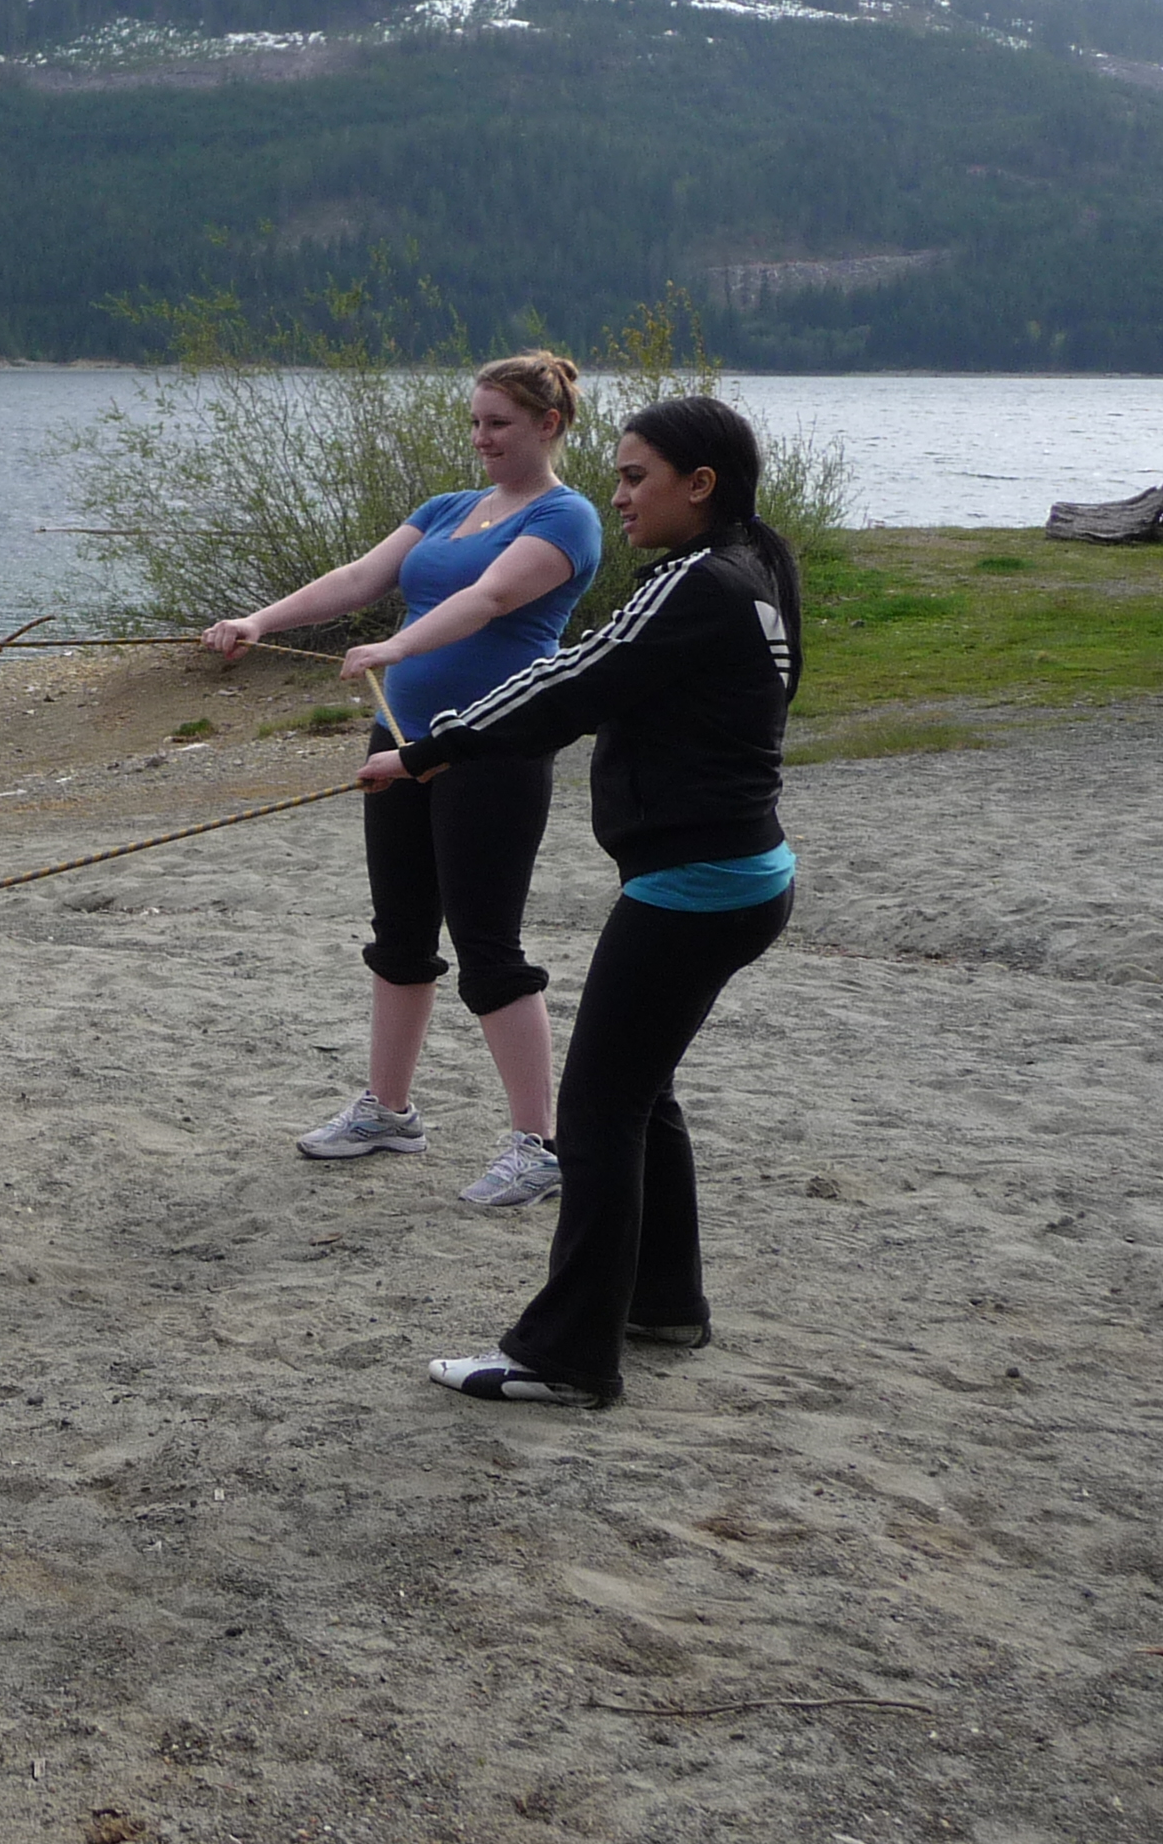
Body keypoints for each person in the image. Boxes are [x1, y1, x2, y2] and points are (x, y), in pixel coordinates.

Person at [368, 394, 803, 1410]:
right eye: (617, 476)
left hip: (695, 888)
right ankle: (664, 1303)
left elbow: (570, 679)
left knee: (599, 1111)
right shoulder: (750, 566)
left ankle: (566, 1356)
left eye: (637, 477)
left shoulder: (701, 581)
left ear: (701, 484)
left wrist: (428, 752)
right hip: (739, 875)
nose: (620, 496)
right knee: (640, 1094)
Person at [201, 354, 605, 1206]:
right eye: (475, 422)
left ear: (549, 425)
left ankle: (538, 1143)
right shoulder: (448, 508)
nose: (482, 438)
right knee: (400, 934)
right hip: (399, 740)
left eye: (499, 423)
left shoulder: (566, 518)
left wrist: (397, 644)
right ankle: (388, 1111)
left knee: (488, 946)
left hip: (490, 749)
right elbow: (359, 579)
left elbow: (492, 599)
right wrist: (259, 620)